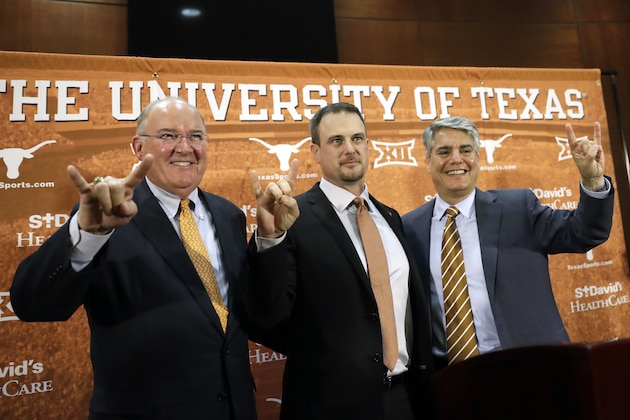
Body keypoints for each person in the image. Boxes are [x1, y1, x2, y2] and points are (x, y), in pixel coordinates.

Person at [10, 97, 257, 419]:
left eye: (196, 136)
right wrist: (87, 235)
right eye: (168, 136)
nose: (185, 147)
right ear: (139, 148)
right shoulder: (106, 217)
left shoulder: (230, 215)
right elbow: (31, 304)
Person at [246, 102, 434, 419]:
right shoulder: (292, 217)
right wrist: (270, 237)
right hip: (328, 405)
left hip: (403, 400)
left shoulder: (390, 217)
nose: (350, 149)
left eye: (358, 138)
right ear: (315, 152)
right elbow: (267, 316)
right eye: (337, 141)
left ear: (368, 145)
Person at [402, 116, 614, 369]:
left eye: (466, 150)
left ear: (479, 158)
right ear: (427, 161)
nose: (456, 159)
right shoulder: (409, 227)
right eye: (444, 151)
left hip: (530, 366)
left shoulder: (518, 208)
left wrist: (593, 181)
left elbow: (583, 233)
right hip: (451, 379)